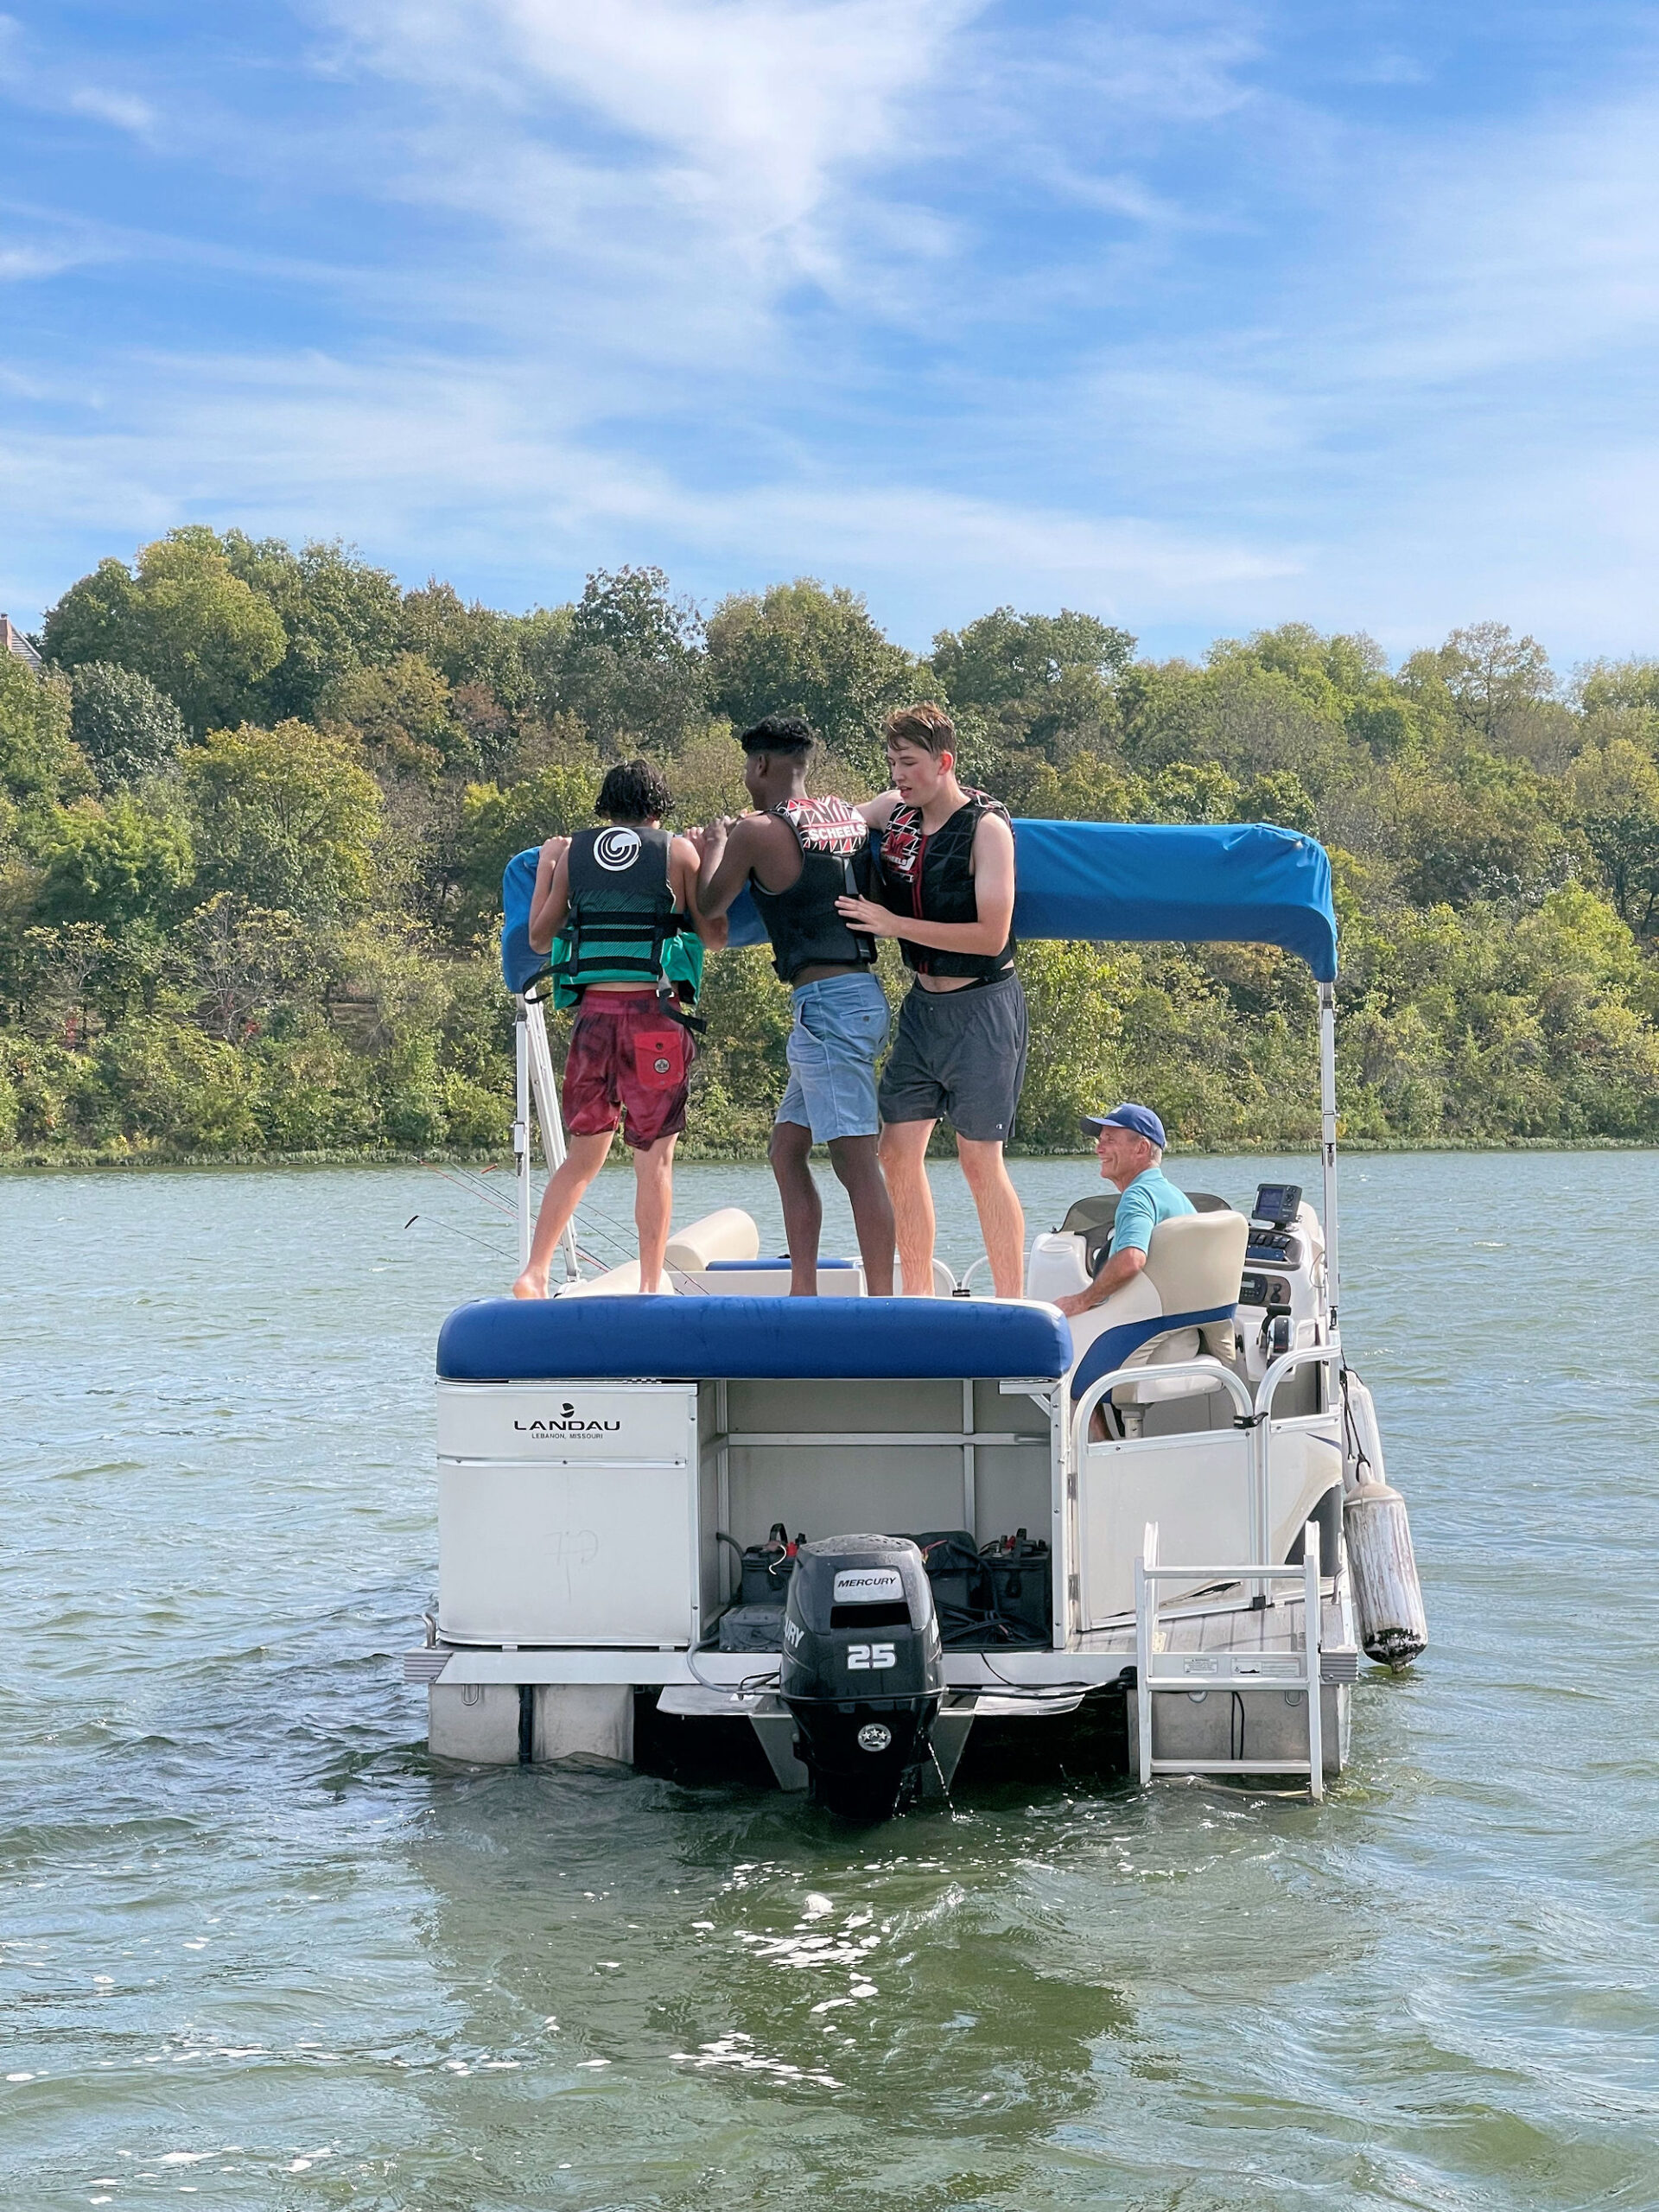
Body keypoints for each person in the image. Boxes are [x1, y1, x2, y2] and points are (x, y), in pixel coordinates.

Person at [689, 714, 895, 1296]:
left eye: (746, 768)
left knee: (856, 1161)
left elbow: (710, 900)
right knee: (787, 1150)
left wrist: (714, 845)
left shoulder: (756, 831)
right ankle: (802, 1286)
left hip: (829, 1007)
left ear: (760, 765)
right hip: (847, 999)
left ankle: (882, 1304)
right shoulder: (847, 818)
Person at [833, 702, 1027, 1299]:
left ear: (944, 763)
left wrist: (893, 924)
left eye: (909, 763)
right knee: (895, 1153)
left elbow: (991, 934)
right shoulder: (896, 813)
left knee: (977, 1160)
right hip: (924, 1009)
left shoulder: (986, 829)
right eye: (892, 762)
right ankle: (916, 1298)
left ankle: (1012, 1301)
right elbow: (837, 818)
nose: (898, 774)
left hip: (984, 1009)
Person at [511, 759, 722, 1300]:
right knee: (654, 1159)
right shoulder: (676, 852)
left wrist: (546, 871)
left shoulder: (576, 854)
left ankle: (534, 1272)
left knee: (583, 1156)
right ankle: (652, 1283)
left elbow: (539, 939)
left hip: (594, 1021)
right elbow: (711, 934)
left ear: (604, 809)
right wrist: (709, 852)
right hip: (655, 1020)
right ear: (657, 808)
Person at [1050, 1103, 1195, 1323]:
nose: (1099, 1149)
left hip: (1144, 1330)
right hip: (1177, 1323)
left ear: (1141, 1148)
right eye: (1100, 1140)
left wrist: (1080, 1301)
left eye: (1110, 1140)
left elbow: (1131, 1259)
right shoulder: (1174, 1196)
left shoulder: (1137, 1196)